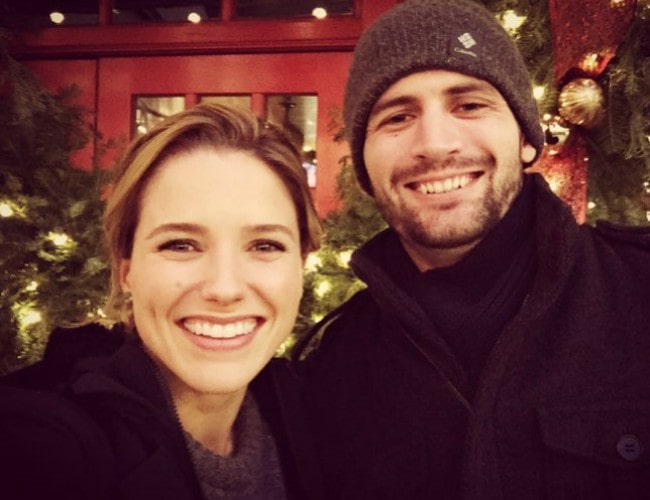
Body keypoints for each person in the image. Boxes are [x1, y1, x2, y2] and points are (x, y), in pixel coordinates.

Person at [293, 1, 650, 498]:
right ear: (365, 167)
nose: (436, 144)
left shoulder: (640, 293)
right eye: (397, 117)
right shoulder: (331, 370)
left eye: (470, 105)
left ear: (527, 140)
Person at [0, 103, 324, 499]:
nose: (224, 288)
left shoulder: (311, 415)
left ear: (301, 266)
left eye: (265, 245)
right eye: (181, 244)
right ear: (126, 270)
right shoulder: (41, 447)